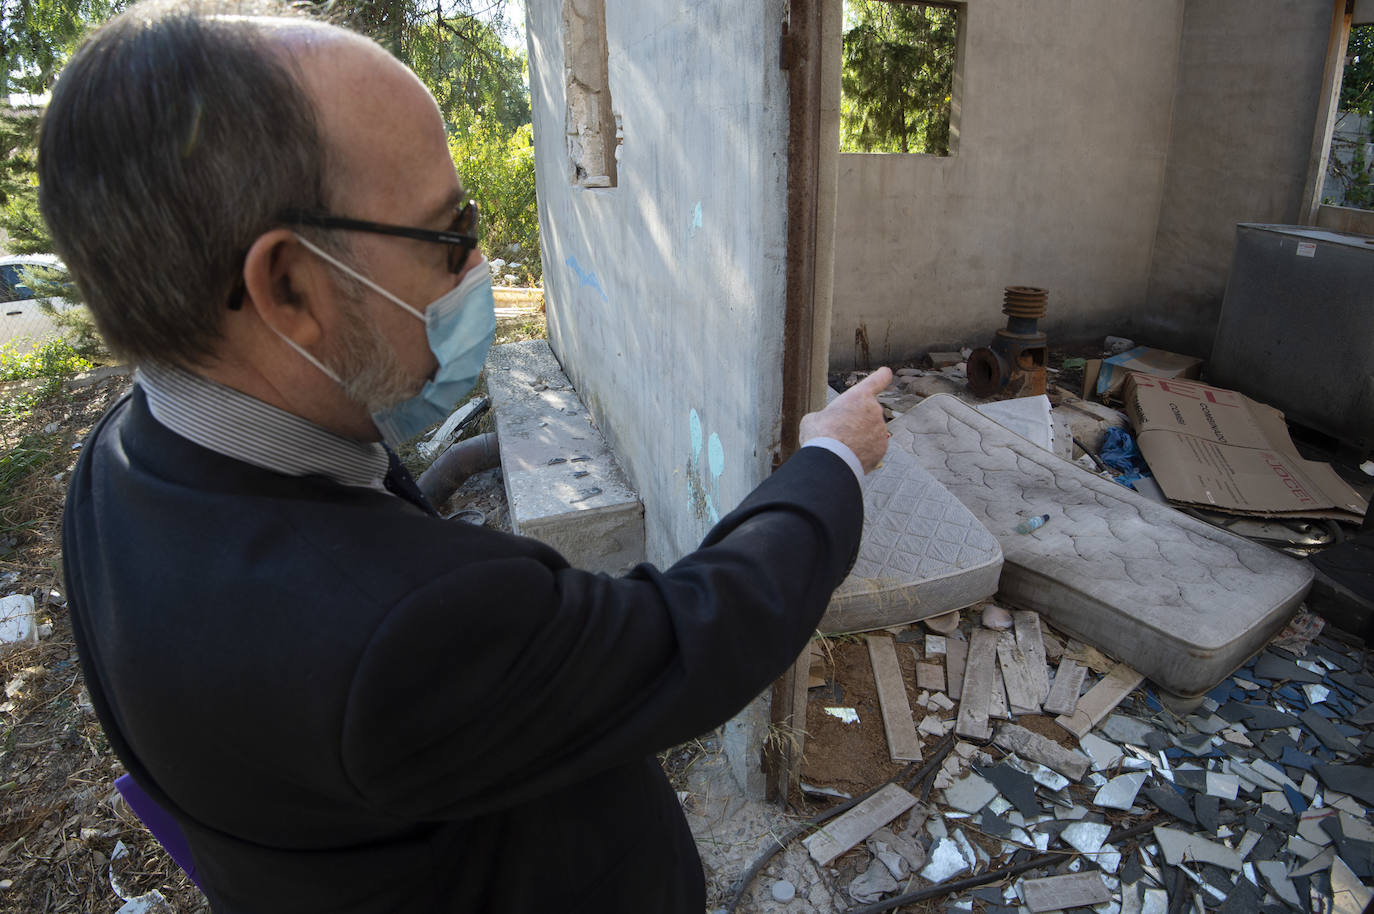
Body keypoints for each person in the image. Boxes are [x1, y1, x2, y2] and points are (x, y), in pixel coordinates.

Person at [42, 2, 892, 911]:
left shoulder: (119, 470)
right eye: (450, 237)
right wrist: (829, 458)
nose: (482, 265)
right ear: (288, 287)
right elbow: (691, 635)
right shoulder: (400, 632)